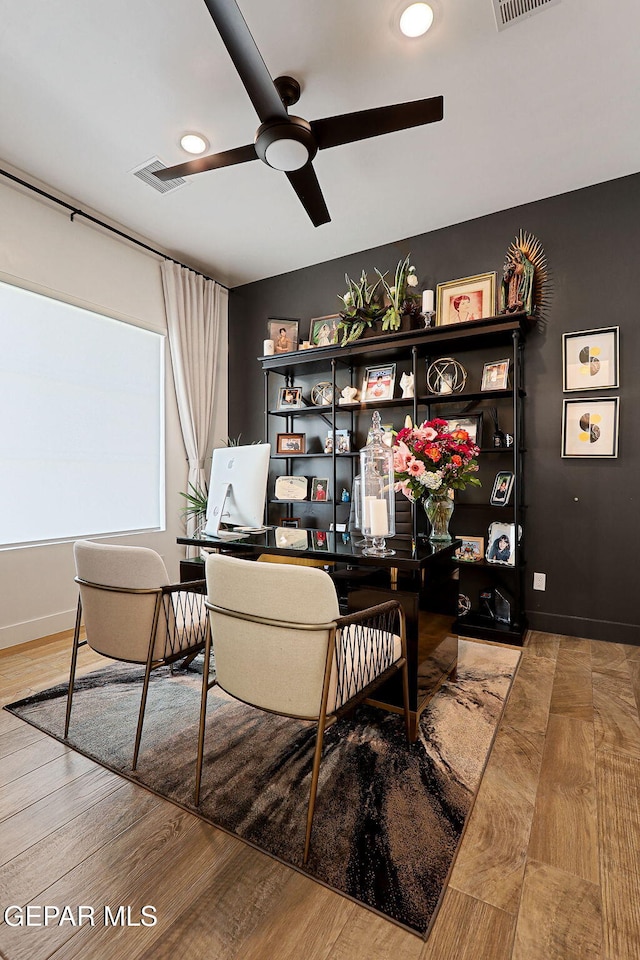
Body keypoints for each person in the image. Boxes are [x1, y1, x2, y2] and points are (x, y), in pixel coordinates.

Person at [500, 247, 534, 315]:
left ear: (521, 254)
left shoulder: (526, 263)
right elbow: (506, 279)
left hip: (521, 282)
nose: (517, 255)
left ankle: (519, 305)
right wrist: (508, 272)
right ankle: (511, 306)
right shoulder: (513, 263)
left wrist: (516, 265)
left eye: (518, 253)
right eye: (515, 254)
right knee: (512, 293)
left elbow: (525, 270)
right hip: (513, 282)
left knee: (519, 293)